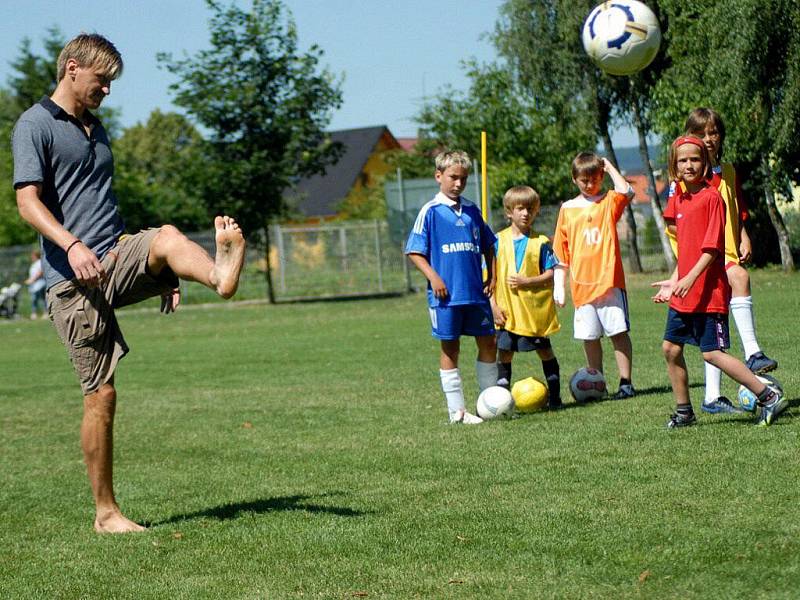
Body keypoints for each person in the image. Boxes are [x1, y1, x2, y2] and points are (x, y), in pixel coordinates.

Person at [12, 33, 246, 533]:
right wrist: (71, 246)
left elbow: (103, 206)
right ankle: (106, 513)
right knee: (101, 394)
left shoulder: (97, 128)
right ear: (72, 69)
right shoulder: (35, 125)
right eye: (102, 81)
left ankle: (217, 274)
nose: (107, 91)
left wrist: (160, 273)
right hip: (71, 281)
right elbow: (28, 202)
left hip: (114, 256)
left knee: (165, 238)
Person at [652, 136, 785, 428]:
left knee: (712, 353)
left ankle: (768, 396)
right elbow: (685, 248)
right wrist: (673, 280)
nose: (689, 165)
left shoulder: (712, 197)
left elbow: (712, 249)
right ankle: (684, 412)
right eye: (683, 160)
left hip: (708, 293)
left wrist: (689, 277)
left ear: (706, 162)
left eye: (695, 159)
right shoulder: (679, 198)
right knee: (670, 349)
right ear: (674, 165)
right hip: (684, 293)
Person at [405, 150, 497, 425]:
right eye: (453, 177)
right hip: (446, 296)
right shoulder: (430, 212)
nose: (458, 183)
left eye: (463, 178)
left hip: (475, 293)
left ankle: (489, 403)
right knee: (450, 348)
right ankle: (456, 411)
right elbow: (414, 251)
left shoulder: (472, 211)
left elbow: (489, 245)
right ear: (438, 176)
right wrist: (434, 277)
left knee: (488, 342)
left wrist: (491, 276)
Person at [552, 152, 635, 399]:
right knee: (589, 337)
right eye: (584, 181)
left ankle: (626, 382)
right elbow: (561, 252)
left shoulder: (609, 201)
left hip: (609, 282)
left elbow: (628, 191)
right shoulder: (567, 209)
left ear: (601, 176)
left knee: (617, 333)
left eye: (595, 179)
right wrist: (559, 286)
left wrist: (609, 167)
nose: (590, 185)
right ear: (575, 179)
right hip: (581, 286)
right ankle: (597, 381)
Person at [490, 186, 562, 409]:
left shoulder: (540, 242)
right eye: (520, 208)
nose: (525, 213)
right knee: (505, 353)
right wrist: (492, 306)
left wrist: (526, 282)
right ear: (509, 212)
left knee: (544, 350)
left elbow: (550, 274)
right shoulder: (496, 241)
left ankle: (555, 397)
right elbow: (488, 279)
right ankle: (502, 401)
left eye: (530, 208)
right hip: (507, 311)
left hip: (533, 314)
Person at [24, 249, 46, 319]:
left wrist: (32, 280)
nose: (31, 258)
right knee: (34, 299)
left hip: (40, 283)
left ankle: (45, 312)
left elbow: (40, 272)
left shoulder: (39, 262)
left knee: (42, 299)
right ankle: (34, 313)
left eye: (32, 256)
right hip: (34, 284)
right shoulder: (33, 264)